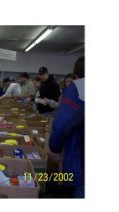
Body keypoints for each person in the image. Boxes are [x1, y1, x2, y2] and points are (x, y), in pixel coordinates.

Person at [49, 56, 84, 198]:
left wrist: (55, 148)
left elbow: (63, 125)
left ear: (76, 76)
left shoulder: (77, 88)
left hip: (80, 160)